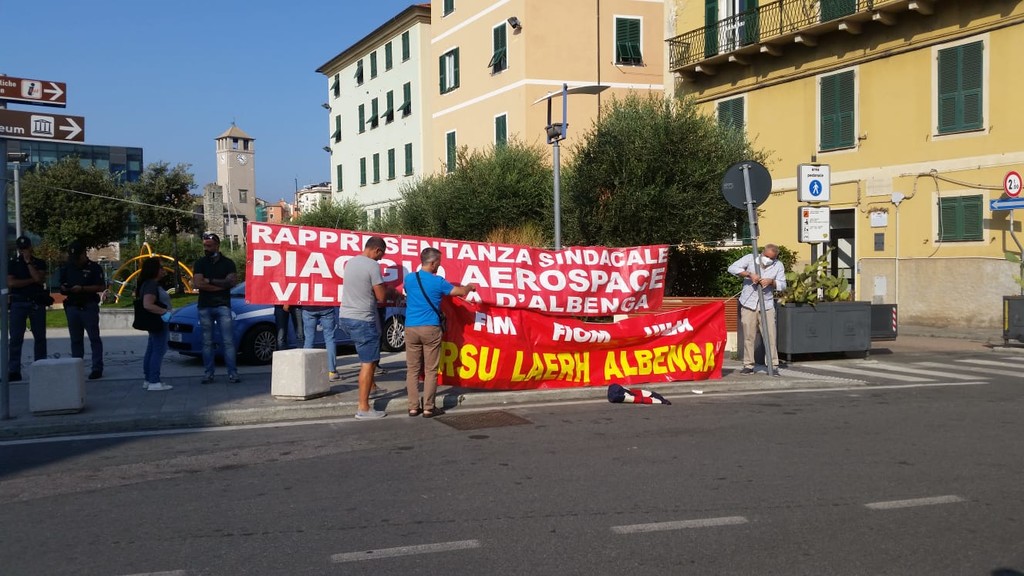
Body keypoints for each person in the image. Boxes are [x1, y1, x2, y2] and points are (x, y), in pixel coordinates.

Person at [403, 247, 477, 418]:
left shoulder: (409, 278)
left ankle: (413, 407)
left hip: (411, 327)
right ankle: (428, 407)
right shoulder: (438, 282)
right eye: (438, 263)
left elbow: (408, 292)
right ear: (432, 263)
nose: (439, 266)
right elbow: (459, 292)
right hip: (430, 328)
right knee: (430, 370)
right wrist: (469, 287)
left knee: (412, 369)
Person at [338, 236, 391, 420]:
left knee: (366, 357)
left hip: (345, 316)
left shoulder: (351, 262)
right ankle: (364, 408)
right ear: (377, 250)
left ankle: (372, 387)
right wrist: (391, 292)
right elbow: (381, 296)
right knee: (368, 363)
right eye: (381, 255)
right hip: (363, 319)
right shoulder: (372, 266)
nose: (381, 259)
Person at [728, 243, 788, 375]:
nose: (768, 259)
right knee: (748, 336)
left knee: (770, 336)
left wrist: (772, 282)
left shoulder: (778, 265)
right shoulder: (750, 258)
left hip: (766, 305)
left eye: (772, 258)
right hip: (748, 303)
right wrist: (750, 274)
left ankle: (773, 365)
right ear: (762, 253)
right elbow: (732, 268)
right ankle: (748, 365)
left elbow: (783, 285)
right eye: (767, 256)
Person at [192, 232, 240, 384]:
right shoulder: (200, 263)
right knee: (207, 342)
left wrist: (210, 281)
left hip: (223, 305)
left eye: (209, 246)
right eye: (205, 246)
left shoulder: (228, 263)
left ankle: (232, 373)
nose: (206, 248)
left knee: (228, 341)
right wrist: (220, 286)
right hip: (205, 306)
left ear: (217, 246)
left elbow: (231, 282)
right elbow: (198, 283)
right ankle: (209, 373)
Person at [59, 241, 106, 380]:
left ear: (83, 254)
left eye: (77, 257)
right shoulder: (68, 267)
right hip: (72, 306)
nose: (75, 260)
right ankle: (77, 368)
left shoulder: (94, 268)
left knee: (94, 338)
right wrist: (65, 288)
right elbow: (61, 285)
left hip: (88, 305)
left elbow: (101, 287)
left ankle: (97, 368)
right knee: (76, 340)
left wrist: (83, 288)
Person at [7, 235, 48, 382]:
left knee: (40, 337)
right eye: (21, 249)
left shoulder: (39, 262)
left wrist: (29, 263)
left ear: (30, 247)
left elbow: (39, 278)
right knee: (16, 338)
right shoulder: (12, 263)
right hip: (19, 303)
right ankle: (14, 370)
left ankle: (40, 367)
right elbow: (11, 283)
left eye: (26, 248)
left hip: (36, 302)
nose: (24, 251)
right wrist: (31, 280)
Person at [137, 257, 174, 391]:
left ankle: (149, 379)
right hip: (158, 321)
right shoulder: (151, 285)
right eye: (161, 268)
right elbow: (148, 304)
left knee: (152, 349)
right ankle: (154, 381)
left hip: (154, 321)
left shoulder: (148, 284)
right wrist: (165, 312)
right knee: (158, 350)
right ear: (154, 270)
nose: (163, 270)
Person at [302, 305, 339, 380]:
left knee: (309, 339)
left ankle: (306, 370)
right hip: (326, 307)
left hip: (308, 308)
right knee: (330, 338)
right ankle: (331, 371)